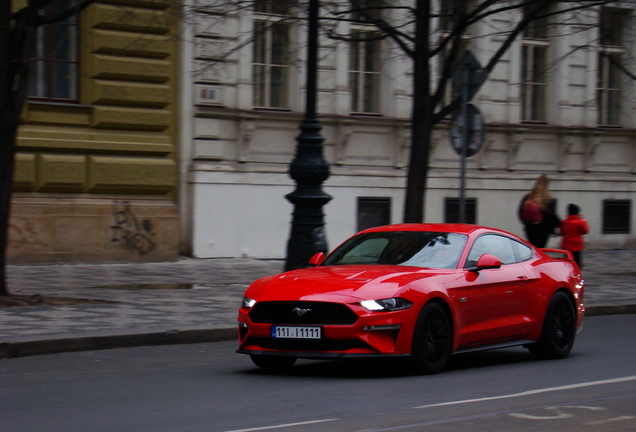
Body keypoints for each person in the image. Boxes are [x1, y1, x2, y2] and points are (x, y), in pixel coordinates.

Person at [518, 175, 560, 248]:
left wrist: (526, 223)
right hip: (543, 229)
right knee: (541, 249)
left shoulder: (528, 197)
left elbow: (520, 212)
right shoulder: (547, 198)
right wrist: (560, 224)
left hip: (529, 228)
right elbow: (552, 214)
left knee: (533, 248)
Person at [560, 203, 589, 268]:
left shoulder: (564, 222)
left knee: (567, 261)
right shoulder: (580, 222)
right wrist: (582, 220)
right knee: (577, 261)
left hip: (566, 245)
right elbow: (585, 230)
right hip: (577, 245)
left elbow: (562, 232)